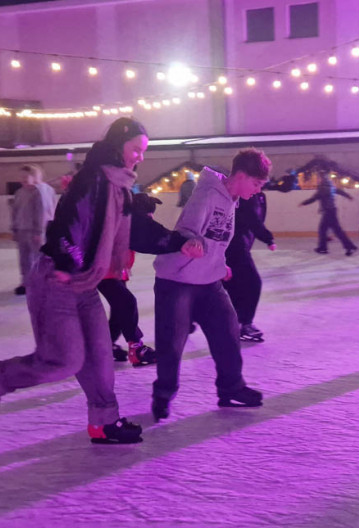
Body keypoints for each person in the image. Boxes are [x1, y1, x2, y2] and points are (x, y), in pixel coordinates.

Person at [0, 118, 202, 445]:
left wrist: (179, 243)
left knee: (101, 356)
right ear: (119, 146)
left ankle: (104, 423)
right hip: (57, 278)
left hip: (85, 283)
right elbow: (69, 221)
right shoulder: (93, 179)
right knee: (63, 360)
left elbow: (136, 231)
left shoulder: (119, 186)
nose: (140, 157)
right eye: (137, 149)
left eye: (143, 151)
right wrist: (67, 261)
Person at [150, 148, 272, 422]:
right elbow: (186, 231)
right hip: (177, 281)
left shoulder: (231, 199)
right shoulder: (206, 194)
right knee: (172, 343)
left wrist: (218, 263)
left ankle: (231, 388)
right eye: (256, 184)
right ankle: (163, 393)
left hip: (208, 280)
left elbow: (216, 239)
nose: (257, 191)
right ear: (240, 176)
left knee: (228, 332)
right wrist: (189, 244)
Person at [99, 191, 165, 368]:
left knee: (120, 310)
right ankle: (136, 348)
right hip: (105, 271)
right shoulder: (126, 222)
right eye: (148, 214)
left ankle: (106, 346)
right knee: (127, 303)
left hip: (116, 270)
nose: (150, 218)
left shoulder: (129, 221)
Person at [224, 189, 276, 342]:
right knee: (253, 283)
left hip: (241, 244)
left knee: (230, 285)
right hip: (234, 245)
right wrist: (268, 238)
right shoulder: (246, 194)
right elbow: (253, 219)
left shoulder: (260, 196)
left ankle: (240, 323)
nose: (260, 184)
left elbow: (257, 220)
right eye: (257, 181)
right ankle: (245, 324)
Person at [10, 164, 55, 295]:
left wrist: (39, 232)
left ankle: (41, 282)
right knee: (24, 258)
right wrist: (14, 229)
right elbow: (15, 211)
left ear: (35, 176)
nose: (22, 179)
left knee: (38, 258)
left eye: (25, 176)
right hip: (22, 229)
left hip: (35, 231)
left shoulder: (41, 191)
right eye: (21, 177)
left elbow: (43, 213)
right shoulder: (20, 192)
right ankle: (26, 282)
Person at [300, 172, 357, 256]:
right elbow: (339, 191)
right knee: (325, 230)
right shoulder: (330, 186)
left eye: (317, 178)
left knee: (334, 231)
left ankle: (349, 247)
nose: (316, 180)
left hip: (328, 212)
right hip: (331, 210)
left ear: (321, 179)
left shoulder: (323, 188)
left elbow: (314, 198)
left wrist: (303, 203)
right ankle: (323, 248)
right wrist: (348, 196)